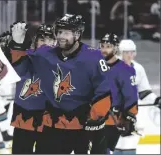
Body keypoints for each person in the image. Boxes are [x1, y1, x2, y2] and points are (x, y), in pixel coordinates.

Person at [9, 14, 111, 154]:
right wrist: (17, 45)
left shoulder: (94, 57)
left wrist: (96, 117)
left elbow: (104, 89)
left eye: (66, 32)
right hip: (52, 126)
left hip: (82, 127)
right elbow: (20, 71)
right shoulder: (45, 54)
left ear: (77, 34)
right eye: (59, 31)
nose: (61, 36)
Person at [10, 24, 56, 154]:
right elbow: (18, 71)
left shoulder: (62, 62)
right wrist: (17, 45)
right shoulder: (25, 56)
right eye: (42, 39)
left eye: (50, 40)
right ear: (36, 41)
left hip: (49, 121)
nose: (46, 44)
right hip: (24, 118)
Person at [91, 33, 138, 154]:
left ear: (116, 48)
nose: (104, 49)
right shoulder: (95, 66)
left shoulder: (125, 69)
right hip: (93, 118)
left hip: (111, 120)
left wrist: (129, 117)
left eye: (108, 46)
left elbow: (131, 96)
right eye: (102, 46)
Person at [114, 39, 161, 154]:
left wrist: (156, 100)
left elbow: (144, 92)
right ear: (120, 52)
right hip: (113, 114)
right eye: (126, 52)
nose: (130, 55)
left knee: (130, 143)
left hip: (131, 113)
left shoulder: (138, 68)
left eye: (132, 52)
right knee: (115, 143)